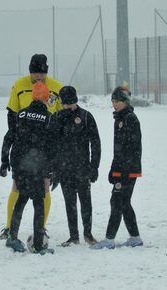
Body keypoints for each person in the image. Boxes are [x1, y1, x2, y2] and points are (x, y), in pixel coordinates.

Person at [0, 54, 62, 240]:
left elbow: (60, 117)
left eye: (42, 75)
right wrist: (16, 141)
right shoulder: (18, 86)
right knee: (17, 188)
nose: (39, 78)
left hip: (43, 149)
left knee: (45, 187)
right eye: (35, 74)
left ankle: (41, 229)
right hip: (24, 147)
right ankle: (9, 227)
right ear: (29, 72)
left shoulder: (56, 87)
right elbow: (11, 114)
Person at [4, 82, 55, 254]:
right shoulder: (48, 118)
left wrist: (5, 161)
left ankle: (12, 237)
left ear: (33, 96)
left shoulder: (20, 114)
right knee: (39, 205)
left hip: (19, 165)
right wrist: (51, 171)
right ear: (46, 98)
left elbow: (8, 137)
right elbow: (51, 147)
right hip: (36, 167)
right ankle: (39, 244)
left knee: (21, 199)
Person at [91, 86, 144, 249]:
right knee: (124, 202)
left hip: (128, 170)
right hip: (122, 168)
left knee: (117, 201)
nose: (114, 104)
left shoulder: (129, 118)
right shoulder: (120, 118)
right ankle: (135, 237)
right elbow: (119, 149)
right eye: (113, 101)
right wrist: (114, 169)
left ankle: (109, 239)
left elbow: (131, 148)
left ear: (125, 102)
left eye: (118, 101)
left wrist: (121, 171)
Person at [52, 86, 101, 247]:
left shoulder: (86, 117)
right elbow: (52, 146)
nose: (67, 107)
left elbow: (95, 143)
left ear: (75, 101)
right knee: (70, 203)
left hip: (83, 168)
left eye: (69, 103)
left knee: (86, 202)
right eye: (65, 104)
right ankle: (74, 236)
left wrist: (94, 167)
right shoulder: (57, 117)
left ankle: (88, 234)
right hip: (65, 170)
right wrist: (55, 170)